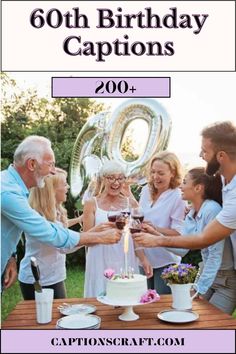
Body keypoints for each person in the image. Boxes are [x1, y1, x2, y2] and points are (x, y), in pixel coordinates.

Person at [1, 136, 121, 291]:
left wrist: (11, 258)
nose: (52, 171)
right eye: (50, 164)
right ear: (32, 164)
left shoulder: (13, 187)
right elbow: (50, 233)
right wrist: (99, 237)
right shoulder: (8, 193)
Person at [132, 121, 236, 253]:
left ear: (221, 156)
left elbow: (203, 239)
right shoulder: (223, 178)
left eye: (204, 151)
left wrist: (157, 239)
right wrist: (197, 207)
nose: (200, 155)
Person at [83, 160, 152, 297]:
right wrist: (101, 231)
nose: (116, 183)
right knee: (101, 296)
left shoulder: (130, 203)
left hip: (124, 256)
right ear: (103, 179)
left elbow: (136, 235)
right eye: (111, 178)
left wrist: (143, 259)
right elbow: (86, 240)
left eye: (120, 178)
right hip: (99, 258)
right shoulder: (91, 204)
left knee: (126, 296)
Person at [19, 168, 81, 299]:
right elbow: (64, 246)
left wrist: (79, 220)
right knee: (42, 317)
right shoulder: (38, 217)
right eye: (64, 184)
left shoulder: (54, 211)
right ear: (51, 190)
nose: (68, 187)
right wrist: (93, 236)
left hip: (54, 275)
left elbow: (61, 228)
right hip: (37, 279)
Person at [180, 168, 236, 314]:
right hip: (207, 273)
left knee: (212, 327)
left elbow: (215, 255)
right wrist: (155, 234)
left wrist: (199, 288)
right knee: (191, 318)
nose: (181, 186)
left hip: (225, 281)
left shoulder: (212, 209)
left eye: (184, 182)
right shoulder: (192, 213)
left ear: (198, 188)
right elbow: (181, 248)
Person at [138, 151, 186, 294]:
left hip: (167, 261)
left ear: (173, 173)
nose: (155, 177)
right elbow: (138, 216)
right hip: (144, 257)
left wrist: (155, 228)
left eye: (160, 173)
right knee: (142, 305)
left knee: (162, 306)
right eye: (153, 172)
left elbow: (178, 233)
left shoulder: (178, 196)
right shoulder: (146, 190)